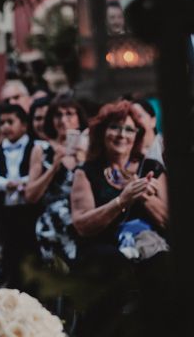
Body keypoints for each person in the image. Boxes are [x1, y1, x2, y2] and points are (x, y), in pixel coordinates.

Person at [70, 100, 169, 336]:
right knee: (113, 266)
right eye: (114, 127)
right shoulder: (87, 172)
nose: (121, 134)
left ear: (137, 135)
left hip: (147, 247)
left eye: (129, 129)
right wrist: (121, 201)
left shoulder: (151, 169)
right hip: (100, 249)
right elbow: (82, 225)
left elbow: (168, 221)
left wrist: (143, 196)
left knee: (166, 266)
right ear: (102, 132)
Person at [25, 95, 88, 264]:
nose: (63, 120)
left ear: (79, 119)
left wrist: (83, 160)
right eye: (58, 115)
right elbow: (30, 195)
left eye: (69, 114)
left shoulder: (89, 147)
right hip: (53, 226)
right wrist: (53, 168)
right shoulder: (42, 149)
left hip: (82, 223)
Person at [0, 103, 39, 289]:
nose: (5, 126)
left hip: (29, 207)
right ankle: (11, 278)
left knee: (28, 244)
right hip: (4, 207)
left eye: (10, 122)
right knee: (9, 242)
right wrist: (6, 184)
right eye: (2, 123)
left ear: (24, 125)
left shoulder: (36, 148)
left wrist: (24, 182)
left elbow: (38, 173)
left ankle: (28, 281)